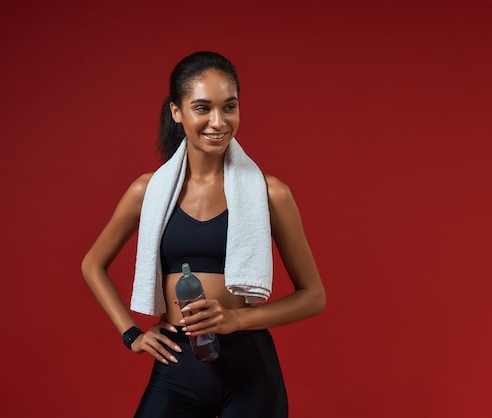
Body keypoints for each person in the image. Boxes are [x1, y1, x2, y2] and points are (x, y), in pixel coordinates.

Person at [81, 50, 326, 418]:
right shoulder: (148, 192)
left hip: (248, 367)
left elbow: (314, 296)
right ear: (177, 112)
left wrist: (236, 320)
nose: (218, 121)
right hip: (177, 365)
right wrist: (132, 334)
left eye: (229, 107)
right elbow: (92, 264)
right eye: (202, 108)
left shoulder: (269, 193)